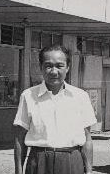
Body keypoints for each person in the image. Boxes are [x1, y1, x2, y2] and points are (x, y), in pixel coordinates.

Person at [14, 44, 97, 174]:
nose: (54, 71)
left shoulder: (81, 96)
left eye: (59, 66)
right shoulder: (28, 96)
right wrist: (18, 171)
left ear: (67, 67)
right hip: (39, 162)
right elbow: (20, 138)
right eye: (48, 66)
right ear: (41, 67)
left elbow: (87, 138)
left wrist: (89, 171)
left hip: (71, 162)